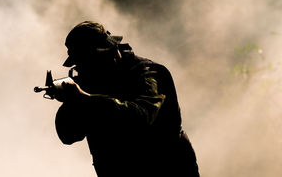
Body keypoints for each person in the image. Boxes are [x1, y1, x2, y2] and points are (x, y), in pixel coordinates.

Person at [54, 21, 200, 177]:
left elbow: (140, 116)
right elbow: (68, 135)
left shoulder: (149, 73)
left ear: (107, 53)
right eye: (79, 66)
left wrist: (86, 100)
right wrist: (72, 104)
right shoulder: (93, 85)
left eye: (87, 64)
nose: (83, 71)